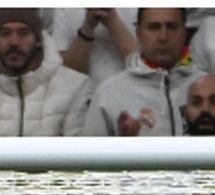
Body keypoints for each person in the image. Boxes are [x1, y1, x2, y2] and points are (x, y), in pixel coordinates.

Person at [0, 8, 93, 137]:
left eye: (23, 33)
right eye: (4, 33)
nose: (14, 42)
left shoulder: (74, 86)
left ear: (38, 40)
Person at [83, 9, 203, 137]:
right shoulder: (108, 94)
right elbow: (91, 155)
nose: (163, 37)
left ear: (184, 33)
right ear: (139, 33)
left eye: (172, 27)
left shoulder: (209, 89)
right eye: (154, 27)